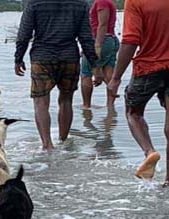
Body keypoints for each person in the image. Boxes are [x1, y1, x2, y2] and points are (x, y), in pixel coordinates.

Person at [107, 0, 169, 187]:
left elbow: (131, 40)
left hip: (148, 67)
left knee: (133, 112)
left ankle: (149, 151)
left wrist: (116, 78)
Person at [15, 0, 103, 151]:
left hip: (42, 57)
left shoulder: (34, 4)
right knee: (66, 100)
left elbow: (24, 34)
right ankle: (63, 140)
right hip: (69, 57)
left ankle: (47, 145)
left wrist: (18, 58)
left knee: (40, 102)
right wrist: (95, 65)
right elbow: (86, 38)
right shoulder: (80, 4)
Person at [81, 0, 119, 112]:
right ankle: (111, 108)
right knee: (109, 73)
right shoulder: (107, 2)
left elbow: (103, 24)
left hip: (101, 40)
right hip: (110, 39)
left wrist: (96, 45)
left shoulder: (102, 2)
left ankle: (86, 107)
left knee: (86, 73)